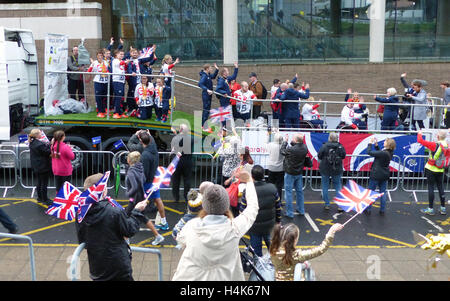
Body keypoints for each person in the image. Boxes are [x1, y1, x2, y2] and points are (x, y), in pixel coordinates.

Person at [172, 169, 259, 281]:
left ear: (204, 205)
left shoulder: (191, 226)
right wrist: (249, 181)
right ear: (226, 205)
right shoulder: (235, 228)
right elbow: (252, 209)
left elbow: (179, 237)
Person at [77, 173, 148, 281]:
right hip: (118, 265)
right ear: (102, 190)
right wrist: (137, 211)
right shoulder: (114, 211)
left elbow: (82, 239)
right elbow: (130, 230)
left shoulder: (80, 211)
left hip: (97, 267)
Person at [269, 222, 343, 281]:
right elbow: (321, 249)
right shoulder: (297, 255)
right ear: (294, 240)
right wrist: (331, 232)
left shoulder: (273, 249)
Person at [239, 165, 281, 257]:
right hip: (270, 226)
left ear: (252, 176)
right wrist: (278, 221)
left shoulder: (248, 190)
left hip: (255, 228)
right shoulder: (272, 188)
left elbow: (242, 210)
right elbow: (278, 207)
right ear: (263, 175)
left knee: (257, 255)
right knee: (273, 251)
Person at [125, 151, 164, 245]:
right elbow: (143, 180)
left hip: (135, 199)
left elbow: (134, 187)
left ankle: (126, 240)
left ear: (129, 160)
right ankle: (157, 236)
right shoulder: (140, 168)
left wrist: (128, 193)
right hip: (141, 196)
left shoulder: (131, 172)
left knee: (126, 217)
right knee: (143, 218)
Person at [138, 130, 170, 230]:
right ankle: (164, 222)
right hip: (154, 181)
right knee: (158, 200)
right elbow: (152, 141)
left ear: (140, 140)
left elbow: (145, 172)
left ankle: (134, 223)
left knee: (137, 203)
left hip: (146, 183)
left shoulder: (145, 155)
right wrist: (149, 135)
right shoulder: (154, 149)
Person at [417, 130, 448, 215]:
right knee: (441, 187)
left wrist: (419, 133)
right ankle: (443, 208)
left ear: (437, 136)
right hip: (441, 169)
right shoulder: (447, 145)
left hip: (431, 168)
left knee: (431, 188)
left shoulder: (434, 145)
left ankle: (430, 209)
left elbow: (420, 141)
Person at [366, 137, 396, 216]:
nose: (384, 142)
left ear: (388, 144)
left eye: (385, 141)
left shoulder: (383, 153)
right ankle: (382, 210)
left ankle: (368, 209)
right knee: (383, 192)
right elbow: (380, 152)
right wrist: (376, 145)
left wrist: (370, 143)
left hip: (376, 174)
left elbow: (369, 152)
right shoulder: (390, 152)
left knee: (371, 192)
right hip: (384, 175)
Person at [281, 133, 308, 218]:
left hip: (290, 173)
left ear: (295, 140)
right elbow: (296, 146)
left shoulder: (291, 150)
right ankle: (301, 210)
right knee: (299, 192)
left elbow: (282, 151)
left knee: (288, 193)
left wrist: (285, 142)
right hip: (299, 172)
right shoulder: (304, 148)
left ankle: (289, 213)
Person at [317, 132, 346, 211]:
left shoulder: (325, 146)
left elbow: (319, 155)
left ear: (329, 138)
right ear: (337, 138)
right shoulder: (340, 146)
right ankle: (340, 205)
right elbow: (343, 156)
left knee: (325, 186)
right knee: (338, 186)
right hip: (336, 168)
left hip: (325, 168)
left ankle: (327, 204)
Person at [170, 124, 193, 204]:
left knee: (176, 181)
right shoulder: (191, 138)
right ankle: (187, 198)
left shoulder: (176, 138)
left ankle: (176, 197)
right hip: (187, 162)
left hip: (177, 162)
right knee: (187, 180)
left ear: (180, 130)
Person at [28, 129, 52, 205]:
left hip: (36, 165)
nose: (41, 134)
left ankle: (40, 198)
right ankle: (45, 199)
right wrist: (50, 144)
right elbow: (47, 152)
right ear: (37, 135)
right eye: (40, 133)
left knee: (39, 182)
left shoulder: (32, 142)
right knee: (44, 183)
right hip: (43, 166)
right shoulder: (40, 144)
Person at [51, 130, 75, 195]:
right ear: (63, 137)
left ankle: (58, 199)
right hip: (65, 170)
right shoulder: (65, 147)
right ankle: (64, 200)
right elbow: (72, 156)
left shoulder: (52, 146)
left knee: (58, 186)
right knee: (65, 188)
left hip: (56, 170)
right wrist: (70, 149)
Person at [87, 49, 109, 118]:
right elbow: (89, 71)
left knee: (104, 97)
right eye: (98, 55)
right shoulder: (95, 63)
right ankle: (99, 111)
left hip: (105, 81)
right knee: (98, 97)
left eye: (101, 55)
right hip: (98, 82)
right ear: (97, 56)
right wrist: (91, 65)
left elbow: (108, 70)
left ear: (103, 56)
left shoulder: (105, 62)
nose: (100, 57)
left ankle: (103, 110)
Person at [198, 63, 219, 131]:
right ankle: (204, 127)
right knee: (206, 110)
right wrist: (207, 90)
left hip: (208, 95)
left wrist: (217, 69)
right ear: (207, 69)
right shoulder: (204, 76)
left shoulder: (208, 75)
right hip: (206, 95)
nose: (211, 69)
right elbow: (200, 84)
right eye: (210, 68)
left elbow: (213, 77)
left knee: (207, 110)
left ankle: (203, 125)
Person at [112, 50, 130, 119]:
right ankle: (116, 112)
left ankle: (120, 112)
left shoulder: (121, 61)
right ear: (116, 54)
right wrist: (125, 62)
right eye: (120, 54)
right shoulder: (115, 60)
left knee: (121, 97)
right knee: (118, 97)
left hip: (122, 81)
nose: (122, 55)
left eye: (123, 54)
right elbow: (120, 63)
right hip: (117, 81)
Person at [267, 131, 284, 202]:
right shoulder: (283, 146)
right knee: (279, 186)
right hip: (280, 168)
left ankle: (271, 200)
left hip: (271, 167)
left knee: (271, 185)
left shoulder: (270, 145)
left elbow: (265, 143)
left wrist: (269, 134)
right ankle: (279, 201)